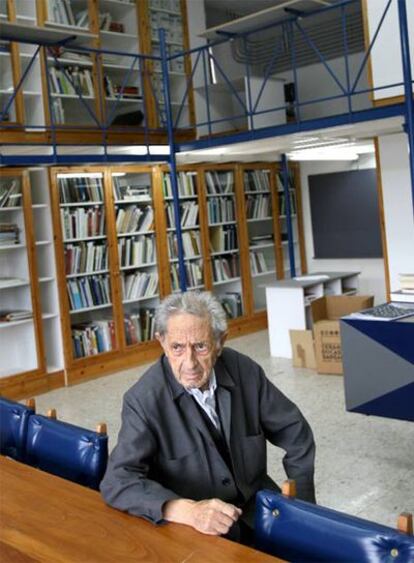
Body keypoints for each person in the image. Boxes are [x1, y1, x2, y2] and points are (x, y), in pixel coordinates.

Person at [100, 291, 316, 543]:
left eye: (200, 346)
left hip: (258, 512)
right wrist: (187, 511)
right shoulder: (143, 400)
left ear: (219, 341)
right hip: (197, 532)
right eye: (177, 348)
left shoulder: (243, 370)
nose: (189, 363)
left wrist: (303, 509)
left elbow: (296, 433)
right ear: (162, 342)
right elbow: (117, 480)